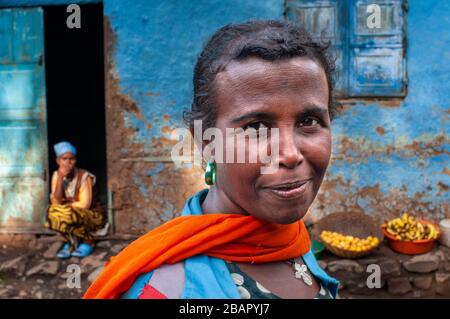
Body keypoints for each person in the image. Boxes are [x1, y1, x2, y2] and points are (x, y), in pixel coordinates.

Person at [84, 20, 341, 299]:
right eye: (255, 128)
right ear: (207, 142)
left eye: (309, 120)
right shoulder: (167, 289)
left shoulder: (289, 238)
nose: (290, 154)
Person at [46, 141, 105, 259]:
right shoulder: (56, 175)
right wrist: (60, 179)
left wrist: (64, 208)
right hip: (70, 212)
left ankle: (88, 241)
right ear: (58, 161)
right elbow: (55, 202)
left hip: (92, 215)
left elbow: (85, 204)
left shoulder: (84, 176)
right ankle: (71, 242)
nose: (68, 162)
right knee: (52, 214)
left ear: (75, 160)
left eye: (71, 159)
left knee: (64, 214)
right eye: (64, 159)